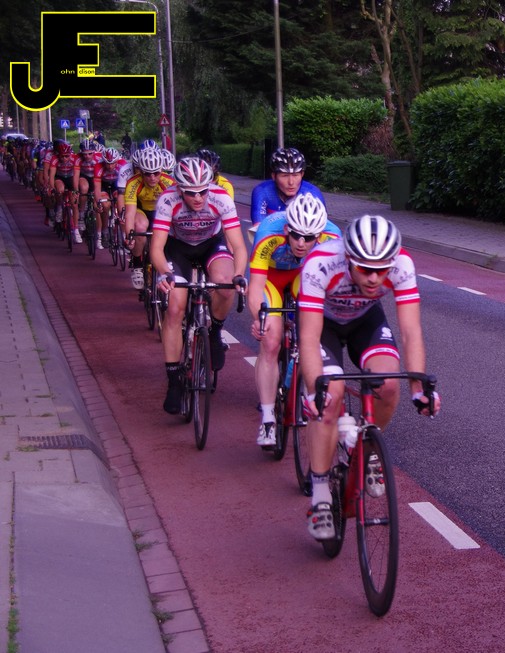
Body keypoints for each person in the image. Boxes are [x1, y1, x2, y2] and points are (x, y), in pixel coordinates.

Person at [297, 215, 439, 540]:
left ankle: (367, 449)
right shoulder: (321, 263)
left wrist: (419, 389)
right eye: (365, 269)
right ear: (348, 258)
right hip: (323, 325)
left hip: (365, 320)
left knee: (388, 385)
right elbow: (308, 336)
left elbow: (411, 330)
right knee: (328, 399)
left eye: (382, 270)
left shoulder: (402, 264)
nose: (375, 278)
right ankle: (320, 496)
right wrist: (314, 390)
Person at [151, 156, 248, 414]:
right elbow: (157, 247)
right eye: (191, 192)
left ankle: (215, 332)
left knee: (225, 284)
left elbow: (238, 245)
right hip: (178, 249)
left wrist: (239, 275)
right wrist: (164, 273)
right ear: (179, 189)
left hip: (210, 245)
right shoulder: (167, 200)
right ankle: (174, 380)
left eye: (203, 191)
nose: (198, 198)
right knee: (174, 308)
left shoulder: (221, 198)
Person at [248, 193, 341, 448]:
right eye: (296, 235)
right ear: (287, 229)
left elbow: (333, 287)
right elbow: (255, 287)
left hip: (305, 276)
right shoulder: (268, 232)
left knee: (314, 334)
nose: (301, 243)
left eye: (309, 238)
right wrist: (259, 319)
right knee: (271, 341)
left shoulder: (333, 237)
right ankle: (268, 419)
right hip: (272, 278)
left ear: (319, 235)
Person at [124, 147, 175, 289]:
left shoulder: (169, 182)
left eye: (156, 173)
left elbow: (176, 211)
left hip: (161, 212)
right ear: (141, 172)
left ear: (161, 170)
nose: (152, 178)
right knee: (140, 227)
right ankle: (137, 265)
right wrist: (129, 236)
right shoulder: (133, 183)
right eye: (147, 174)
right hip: (141, 210)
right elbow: (129, 214)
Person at [250, 147, 326, 234]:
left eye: (295, 175)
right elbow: (259, 231)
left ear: (302, 174)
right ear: (274, 176)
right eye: (285, 176)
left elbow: (323, 231)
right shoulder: (262, 192)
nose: (291, 182)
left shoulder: (313, 193)